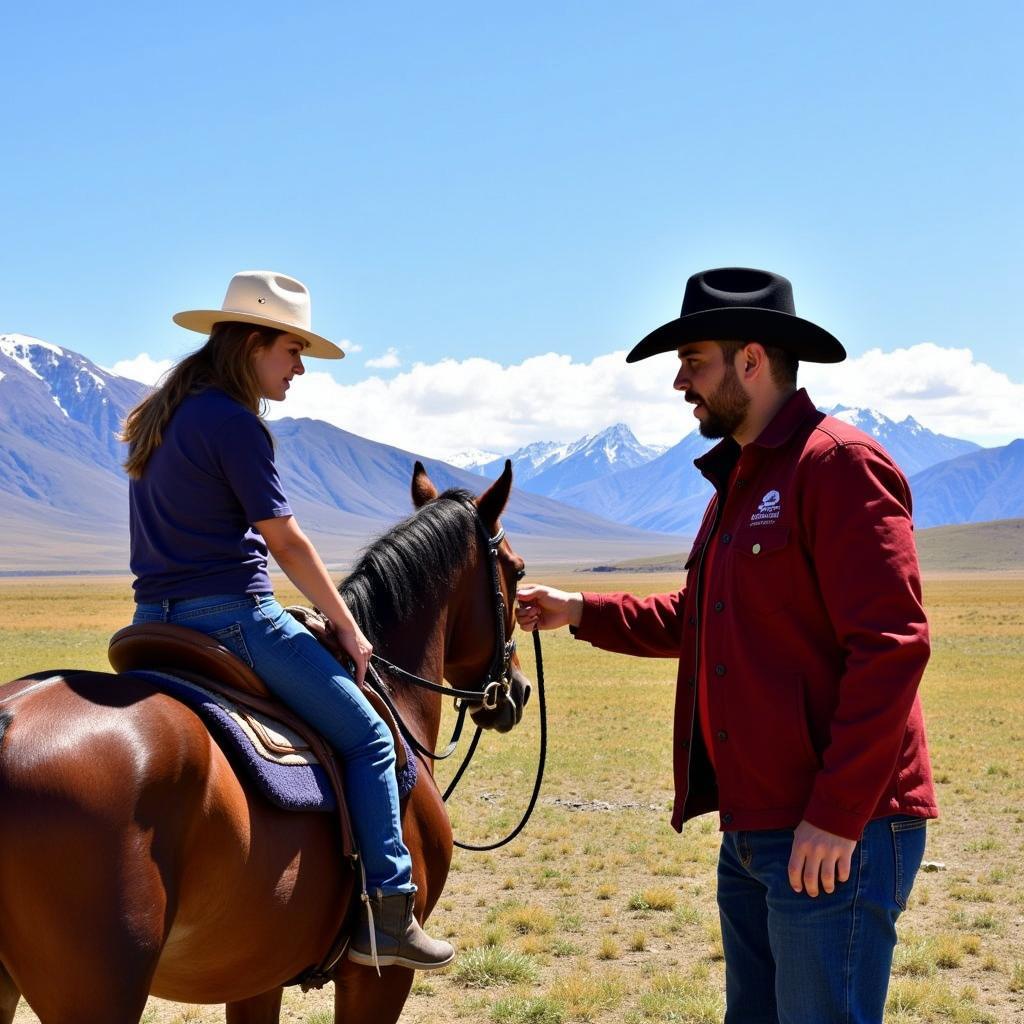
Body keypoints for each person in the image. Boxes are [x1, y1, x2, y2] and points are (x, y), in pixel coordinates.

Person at [516, 267, 937, 1023]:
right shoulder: (740, 479)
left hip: (836, 829)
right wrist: (578, 610)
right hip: (758, 826)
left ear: (752, 359)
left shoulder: (837, 465)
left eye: (694, 360)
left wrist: (839, 813)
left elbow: (892, 646)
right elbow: (699, 618)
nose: (681, 383)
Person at [122, 269, 454, 971]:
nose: (300, 367)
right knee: (368, 736)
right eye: (291, 349)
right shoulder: (236, 424)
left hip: (154, 618)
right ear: (251, 345)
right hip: (233, 619)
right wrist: (348, 626)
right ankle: (389, 913)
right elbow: (285, 538)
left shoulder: (168, 414)